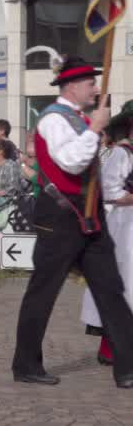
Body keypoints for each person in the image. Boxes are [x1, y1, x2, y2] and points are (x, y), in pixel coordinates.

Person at [13, 56, 133, 388]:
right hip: (60, 217)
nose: (96, 88)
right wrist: (95, 127)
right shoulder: (54, 120)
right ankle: (25, 364)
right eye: (90, 83)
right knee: (43, 291)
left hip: (89, 216)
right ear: (73, 86)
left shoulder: (78, 118)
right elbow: (72, 162)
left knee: (111, 290)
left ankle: (127, 367)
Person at [82, 101, 133, 367]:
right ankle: (110, 348)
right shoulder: (122, 153)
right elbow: (112, 192)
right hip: (126, 228)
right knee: (123, 285)